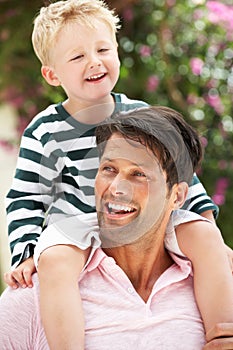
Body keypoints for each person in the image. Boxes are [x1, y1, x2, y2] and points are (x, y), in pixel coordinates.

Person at [3, 0, 222, 349]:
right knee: (55, 261)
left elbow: (182, 177)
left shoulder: (140, 113)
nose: (94, 61)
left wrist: (206, 224)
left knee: (210, 241)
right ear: (53, 74)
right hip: (81, 225)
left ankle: (223, 333)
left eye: (103, 49)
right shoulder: (45, 130)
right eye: (77, 57)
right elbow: (26, 198)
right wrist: (26, 253)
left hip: (146, 221)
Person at [1, 106, 233, 349]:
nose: (116, 188)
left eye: (139, 174)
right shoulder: (39, 293)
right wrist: (26, 253)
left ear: (177, 196)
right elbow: (23, 199)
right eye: (109, 169)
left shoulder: (213, 280)